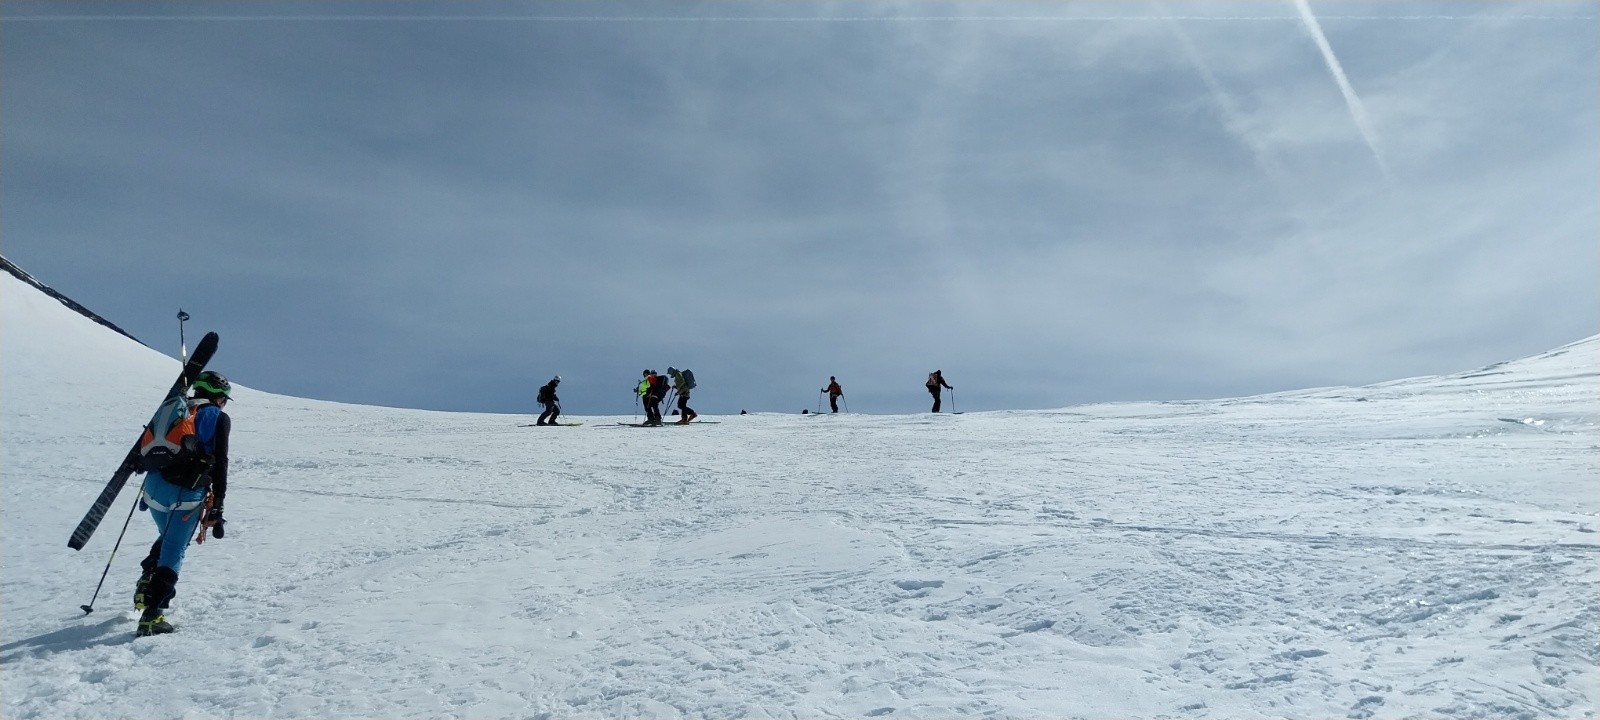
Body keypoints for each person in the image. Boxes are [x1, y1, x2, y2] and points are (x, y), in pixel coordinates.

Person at [133, 370, 232, 637]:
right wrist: (218, 505)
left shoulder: (174, 408)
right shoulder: (217, 417)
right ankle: (152, 615)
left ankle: (146, 581)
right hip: (187, 492)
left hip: (153, 490)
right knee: (175, 548)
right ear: (219, 397)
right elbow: (220, 461)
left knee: (167, 538)